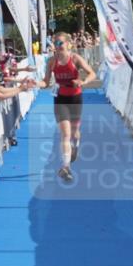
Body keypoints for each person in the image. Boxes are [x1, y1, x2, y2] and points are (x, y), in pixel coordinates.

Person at [39, 32, 96, 183]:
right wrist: (36, 84)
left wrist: (83, 81)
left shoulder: (76, 58)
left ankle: (75, 146)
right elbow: (45, 82)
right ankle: (66, 167)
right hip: (60, 99)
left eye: (60, 43)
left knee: (75, 133)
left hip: (75, 98)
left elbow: (92, 73)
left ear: (68, 44)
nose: (57, 46)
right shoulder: (52, 61)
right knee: (65, 134)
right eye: (55, 43)